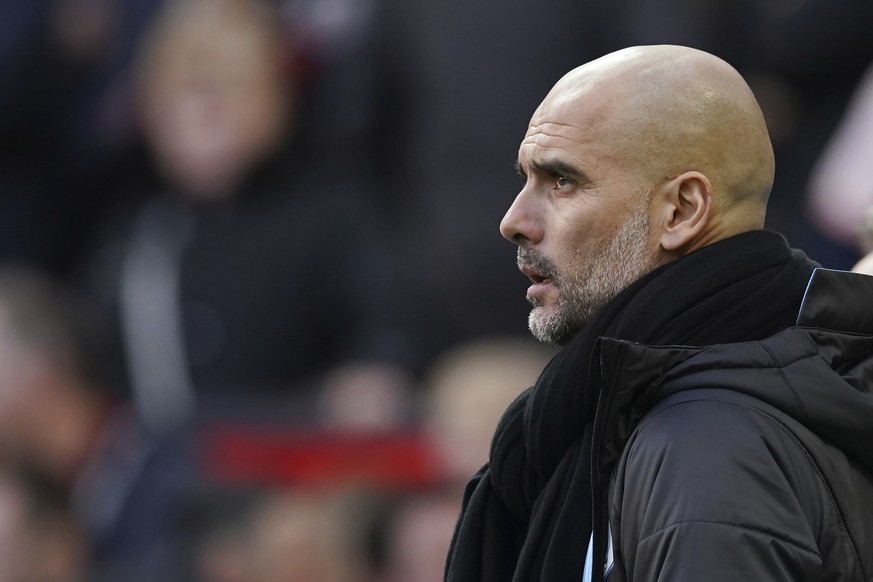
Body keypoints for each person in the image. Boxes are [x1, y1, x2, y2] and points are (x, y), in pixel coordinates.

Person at [445, 45, 873, 582]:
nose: (514, 221)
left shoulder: (706, 452)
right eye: (525, 179)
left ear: (682, 210)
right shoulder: (683, 417)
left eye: (562, 181)